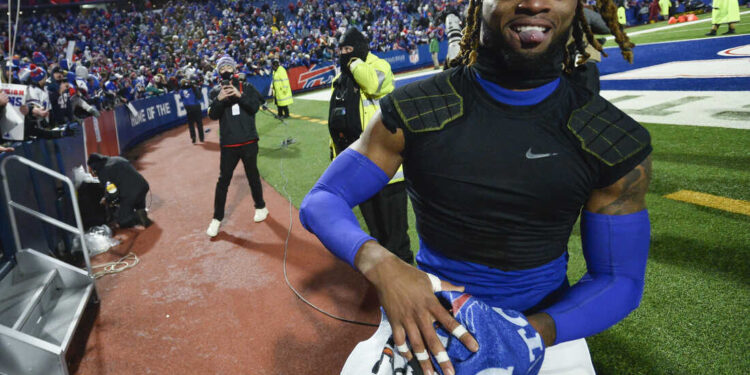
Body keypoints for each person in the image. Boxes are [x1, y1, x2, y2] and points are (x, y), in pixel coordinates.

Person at [301, 0, 651, 373]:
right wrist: (383, 265)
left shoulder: (611, 138)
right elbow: (323, 198)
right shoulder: (416, 109)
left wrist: (525, 334)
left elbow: (620, 279)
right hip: (427, 313)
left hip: (545, 327)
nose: (533, 2)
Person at [327, 27, 412, 264]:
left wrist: (353, 64)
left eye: (349, 49)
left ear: (360, 48)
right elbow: (338, 124)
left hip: (387, 171)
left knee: (396, 239)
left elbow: (374, 85)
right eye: (341, 50)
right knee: (377, 234)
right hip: (358, 171)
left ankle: (409, 290)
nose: (344, 54)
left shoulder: (378, 66)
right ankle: (387, 284)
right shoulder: (340, 79)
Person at [205, 55, 268, 238]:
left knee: (253, 176)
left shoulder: (246, 87)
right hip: (229, 143)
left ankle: (261, 207)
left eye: (228, 67)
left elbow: (254, 107)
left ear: (234, 69)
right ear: (218, 72)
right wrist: (220, 99)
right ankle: (217, 219)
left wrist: (239, 96)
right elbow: (213, 115)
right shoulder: (215, 91)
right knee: (223, 181)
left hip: (248, 140)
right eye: (222, 68)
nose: (225, 70)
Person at [87, 153, 152, 229]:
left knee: (122, 220)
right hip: (143, 186)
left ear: (94, 166)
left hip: (131, 194)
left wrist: (107, 199)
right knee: (136, 201)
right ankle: (140, 211)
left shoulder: (103, 172)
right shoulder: (117, 159)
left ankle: (138, 216)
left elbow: (113, 193)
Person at [179, 78, 204, 143]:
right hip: (196, 106)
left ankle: (193, 137)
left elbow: (182, 98)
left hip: (188, 107)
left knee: (191, 124)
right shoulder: (193, 88)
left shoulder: (181, 91)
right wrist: (199, 88)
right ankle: (201, 138)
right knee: (199, 123)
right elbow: (199, 96)